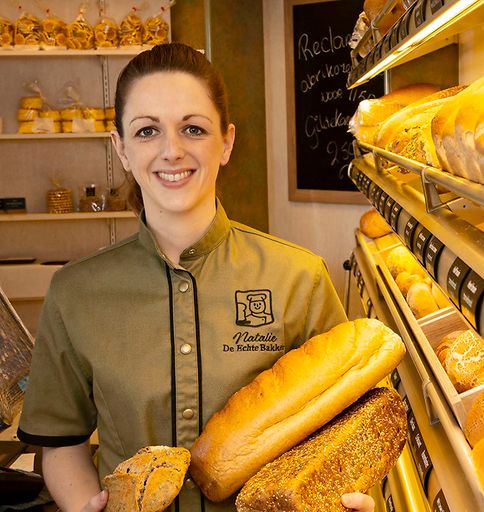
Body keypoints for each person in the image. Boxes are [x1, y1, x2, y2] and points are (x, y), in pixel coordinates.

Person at [17, 43, 375, 512]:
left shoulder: (298, 276)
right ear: (121, 148)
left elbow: (350, 427)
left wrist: (351, 493)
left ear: (225, 142)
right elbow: (61, 443)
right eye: (147, 131)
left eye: (192, 128)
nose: (172, 150)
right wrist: (86, 504)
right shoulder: (77, 293)